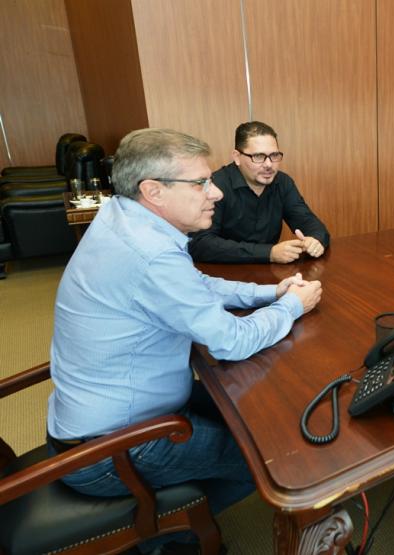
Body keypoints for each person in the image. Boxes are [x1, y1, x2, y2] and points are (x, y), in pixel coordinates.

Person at [47, 128, 323, 553]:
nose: (215, 193)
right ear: (153, 191)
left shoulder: (125, 219)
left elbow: (193, 284)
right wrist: (292, 308)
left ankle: (175, 524)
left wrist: (269, 292)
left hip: (109, 417)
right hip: (112, 450)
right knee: (274, 461)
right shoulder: (150, 252)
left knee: (261, 410)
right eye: (200, 183)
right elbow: (229, 342)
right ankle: (170, 531)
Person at [188, 121, 329, 263]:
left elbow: (310, 223)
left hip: (271, 274)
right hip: (222, 274)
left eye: (274, 155)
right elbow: (200, 244)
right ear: (237, 157)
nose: (268, 164)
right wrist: (268, 253)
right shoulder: (215, 187)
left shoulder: (283, 182)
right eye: (258, 157)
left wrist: (315, 240)